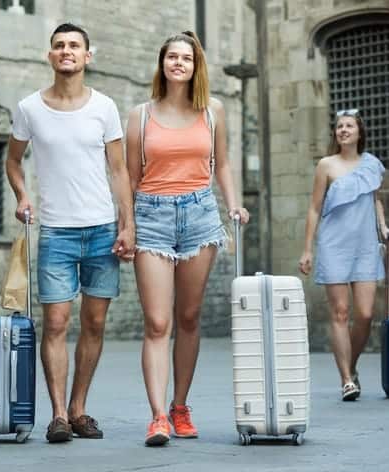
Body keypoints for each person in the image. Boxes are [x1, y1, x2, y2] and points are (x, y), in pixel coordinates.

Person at [5, 23, 135, 443]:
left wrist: (126, 223)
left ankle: (80, 408)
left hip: (101, 230)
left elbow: (119, 170)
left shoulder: (105, 107)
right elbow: (13, 161)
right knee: (56, 323)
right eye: (59, 45)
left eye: (74, 46)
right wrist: (23, 194)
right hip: (56, 232)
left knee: (94, 324)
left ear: (87, 56)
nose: (66, 51)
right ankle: (58, 415)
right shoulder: (29, 108)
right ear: (50, 55)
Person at [125, 31, 249, 446]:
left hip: (200, 215)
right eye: (172, 57)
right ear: (161, 64)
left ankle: (180, 406)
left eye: (187, 58)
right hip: (152, 216)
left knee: (189, 318)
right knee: (158, 322)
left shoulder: (212, 111)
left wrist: (234, 204)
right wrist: (126, 224)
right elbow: (128, 176)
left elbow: (224, 164)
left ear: (197, 67)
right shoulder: (140, 116)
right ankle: (158, 416)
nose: (179, 63)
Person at [298, 109, 389, 401]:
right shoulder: (326, 165)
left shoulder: (371, 165)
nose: (343, 130)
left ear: (359, 132)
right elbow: (315, 208)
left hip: (364, 244)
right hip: (334, 245)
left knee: (365, 315)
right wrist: (307, 249)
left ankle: (350, 367)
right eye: (339, 126)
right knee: (340, 313)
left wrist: (383, 226)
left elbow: (374, 200)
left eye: (349, 125)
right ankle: (346, 380)